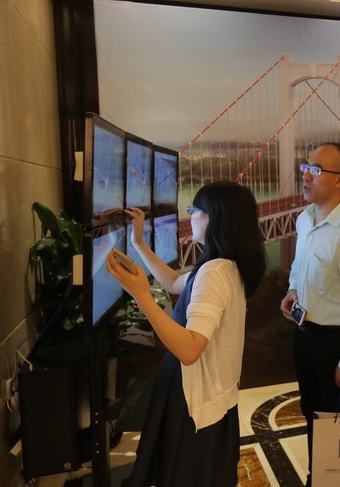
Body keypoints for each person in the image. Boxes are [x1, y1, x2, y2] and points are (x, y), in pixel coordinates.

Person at [107, 181, 266, 487]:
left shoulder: (214, 272)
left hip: (191, 394)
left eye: (194, 209)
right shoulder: (226, 265)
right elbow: (174, 283)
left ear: (214, 217)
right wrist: (138, 243)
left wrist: (141, 294)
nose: (190, 215)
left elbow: (190, 350)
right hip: (209, 392)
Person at [278, 142, 340, 487]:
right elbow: (300, 264)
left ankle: (336, 482)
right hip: (305, 334)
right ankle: (317, 478)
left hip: (334, 342)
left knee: (339, 426)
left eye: (316, 170)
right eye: (306, 166)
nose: (306, 175)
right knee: (313, 414)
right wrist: (293, 289)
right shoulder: (305, 218)